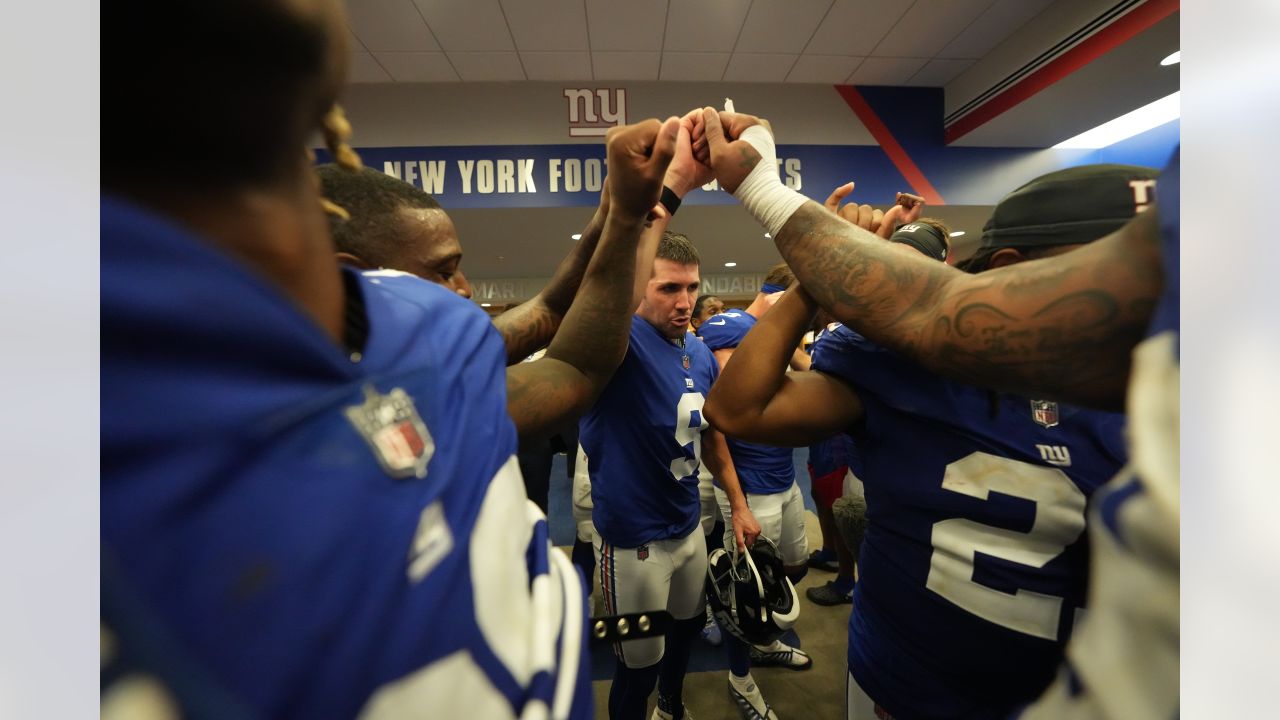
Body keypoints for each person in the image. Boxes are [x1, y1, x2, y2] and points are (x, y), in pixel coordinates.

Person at [102, 1, 684, 716]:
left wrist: (624, 213)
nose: (463, 289)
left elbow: (571, 360)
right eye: (445, 269)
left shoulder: (424, 320)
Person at [696, 107, 1178, 720]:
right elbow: (738, 409)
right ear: (1013, 276)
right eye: (1126, 276)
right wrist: (820, 280)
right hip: (908, 688)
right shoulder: (898, 360)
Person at [580, 230, 762, 720]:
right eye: (667, 289)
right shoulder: (616, 342)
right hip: (631, 545)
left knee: (686, 628)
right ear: (639, 287)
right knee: (636, 664)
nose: (684, 302)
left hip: (688, 531)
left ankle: (672, 708)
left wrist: (740, 505)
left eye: (691, 288)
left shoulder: (700, 352)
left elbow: (712, 434)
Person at [696, 263, 815, 719]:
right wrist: (738, 501)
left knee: (793, 567)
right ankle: (740, 676)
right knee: (747, 595)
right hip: (749, 485)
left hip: (784, 477)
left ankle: (761, 641)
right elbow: (722, 408)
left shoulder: (768, 333)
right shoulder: (731, 327)